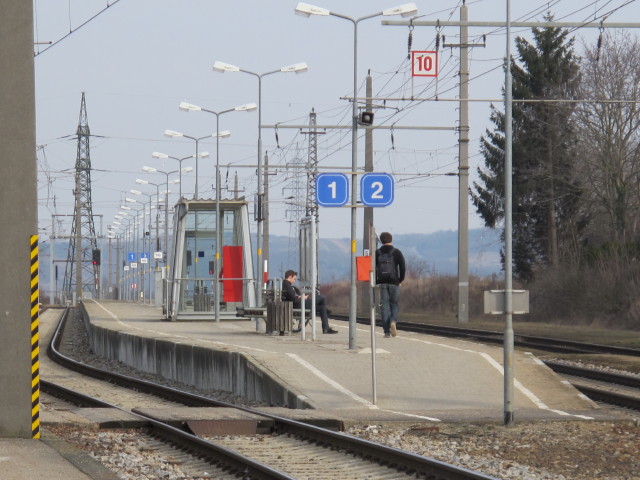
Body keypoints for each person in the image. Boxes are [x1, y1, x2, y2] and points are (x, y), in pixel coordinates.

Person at [282, 270, 338, 334]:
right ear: (290, 277)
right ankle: (326, 310)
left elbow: (292, 297)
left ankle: (326, 329)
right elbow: (294, 300)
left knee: (322, 308)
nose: (294, 281)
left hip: (297, 305)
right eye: (294, 279)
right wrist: (302, 298)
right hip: (298, 306)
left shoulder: (286, 285)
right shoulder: (287, 285)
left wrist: (300, 297)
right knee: (322, 297)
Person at [375, 232, 406, 338]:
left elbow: (373, 268)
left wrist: (376, 281)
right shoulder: (397, 252)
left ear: (381, 241)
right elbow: (402, 267)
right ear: (391, 240)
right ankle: (393, 321)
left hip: (382, 282)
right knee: (394, 304)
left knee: (384, 306)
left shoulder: (377, 252)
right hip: (394, 282)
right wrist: (400, 280)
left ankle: (386, 332)